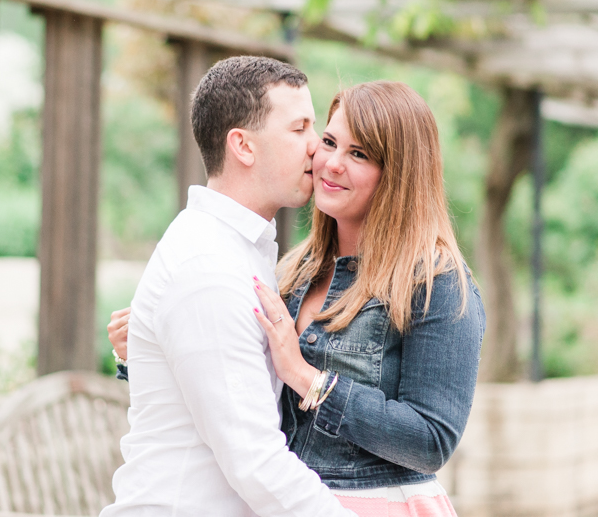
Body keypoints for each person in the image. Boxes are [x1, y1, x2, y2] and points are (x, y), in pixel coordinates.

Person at [109, 80, 485, 516]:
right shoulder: (292, 273)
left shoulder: (437, 283)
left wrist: (309, 379)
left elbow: (431, 441)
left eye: (359, 154)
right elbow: (240, 400)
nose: (330, 163)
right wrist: (153, 346)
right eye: (328, 141)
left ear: (399, 175)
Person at [99, 56, 355, 517]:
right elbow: (254, 460)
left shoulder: (237, 251)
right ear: (243, 146)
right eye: (299, 129)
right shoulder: (208, 269)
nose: (317, 148)